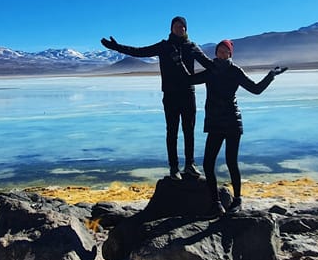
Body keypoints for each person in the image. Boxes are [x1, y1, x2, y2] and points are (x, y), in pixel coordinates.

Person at [101, 16, 214, 180]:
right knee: (172, 132)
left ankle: (190, 164)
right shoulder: (164, 46)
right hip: (170, 96)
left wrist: (197, 78)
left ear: (186, 29)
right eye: (176, 26)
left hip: (188, 94)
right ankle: (174, 168)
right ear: (171, 28)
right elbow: (139, 52)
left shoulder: (192, 47)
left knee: (189, 131)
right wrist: (117, 47)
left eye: (182, 26)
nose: (179, 28)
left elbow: (210, 65)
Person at [190, 39, 287, 216]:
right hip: (215, 122)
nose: (221, 53)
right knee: (208, 163)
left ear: (230, 54)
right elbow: (189, 79)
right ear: (216, 53)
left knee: (231, 162)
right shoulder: (210, 71)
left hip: (233, 122)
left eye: (225, 51)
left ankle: (237, 200)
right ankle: (216, 204)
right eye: (219, 50)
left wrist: (271, 75)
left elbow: (256, 89)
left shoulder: (235, 71)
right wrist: (178, 63)